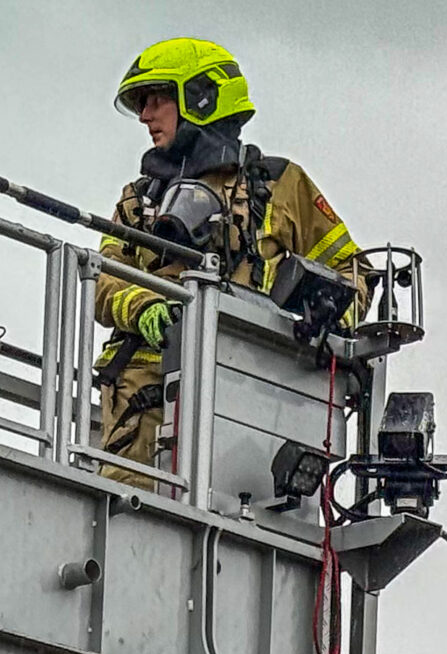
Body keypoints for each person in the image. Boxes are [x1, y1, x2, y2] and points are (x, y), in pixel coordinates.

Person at [95, 38, 363, 473]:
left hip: (256, 400)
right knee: (127, 518)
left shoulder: (280, 185)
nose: (145, 115)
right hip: (143, 407)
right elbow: (102, 278)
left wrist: (327, 309)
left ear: (202, 98)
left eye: (157, 99)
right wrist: (142, 305)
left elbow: (353, 272)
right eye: (142, 104)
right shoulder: (139, 200)